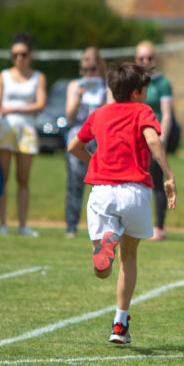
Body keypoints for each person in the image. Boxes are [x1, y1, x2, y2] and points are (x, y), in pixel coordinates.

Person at [67, 61, 176, 345]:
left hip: (102, 191)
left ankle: (107, 240)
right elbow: (153, 140)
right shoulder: (143, 111)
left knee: (102, 270)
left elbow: (74, 147)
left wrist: (96, 162)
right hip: (134, 191)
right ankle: (119, 324)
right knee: (129, 257)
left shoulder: (99, 114)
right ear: (138, 92)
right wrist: (168, 175)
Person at [0, 32, 47, 237]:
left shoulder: (38, 77)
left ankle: (22, 224)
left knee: (23, 179)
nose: (19, 58)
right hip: (4, 130)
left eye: (23, 54)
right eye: (15, 55)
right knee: (2, 177)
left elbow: (40, 104)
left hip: (27, 130)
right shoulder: (3, 76)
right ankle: (2, 223)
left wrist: (13, 109)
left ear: (30, 54)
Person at [64, 47, 107, 238]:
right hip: (79, 135)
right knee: (74, 181)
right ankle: (71, 226)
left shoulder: (107, 87)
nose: (88, 74)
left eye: (93, 69)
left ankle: (102, 225)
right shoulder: (74, 86)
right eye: (85, 70)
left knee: (102, 182)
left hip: (100, 137)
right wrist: (79, 96)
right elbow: (69, 115)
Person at [136, 40, 174, 241]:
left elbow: (166, 114)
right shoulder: (133, 81)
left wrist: (162, 139)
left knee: (156, 183)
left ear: (155, 59)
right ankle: (137, 225)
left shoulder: (162, 83)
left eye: (149, 58)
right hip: (136, 140)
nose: (145, 61)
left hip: (154, 138)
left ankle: (159, 226)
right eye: (141, 58)